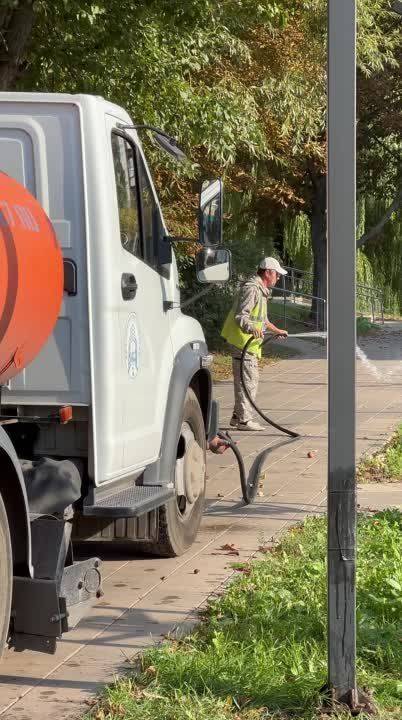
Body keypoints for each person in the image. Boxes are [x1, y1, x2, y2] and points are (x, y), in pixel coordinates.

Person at [221, 257, 288, 431]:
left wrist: (276, 330)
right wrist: (251, 329)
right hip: (242, 342)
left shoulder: (261, 290)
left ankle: (238, 417)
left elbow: (263, 320)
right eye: (277, 274)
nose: (278, 278)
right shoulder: (252, 289)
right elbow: (241, 316)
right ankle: (244, 420)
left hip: (248, 344)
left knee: (248, 379)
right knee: (248, 381)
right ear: (267, 273)